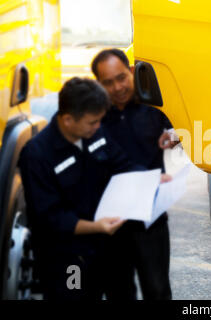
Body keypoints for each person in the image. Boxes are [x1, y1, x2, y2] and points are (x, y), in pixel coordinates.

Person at [18, 77, 142, 300]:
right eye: (92, 122)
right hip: (68, 260)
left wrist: (151, 178)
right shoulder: (37, 155)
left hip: (108, 249)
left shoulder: (94, 131)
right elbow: (49, 218)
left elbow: (121, 162)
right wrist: (96, 227)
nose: (98, 127)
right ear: (67, 119)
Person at [91, 49, 176, 300]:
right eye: (108, 82)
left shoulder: (154, 103)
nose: (117, 87)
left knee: (157, 289)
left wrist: (175, 135)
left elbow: (183, 127)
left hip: (150, 217)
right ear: (98, 83)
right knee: (118, 290)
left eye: (121, 78)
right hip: (111, 220)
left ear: (130, 72)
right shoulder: (92, 115)